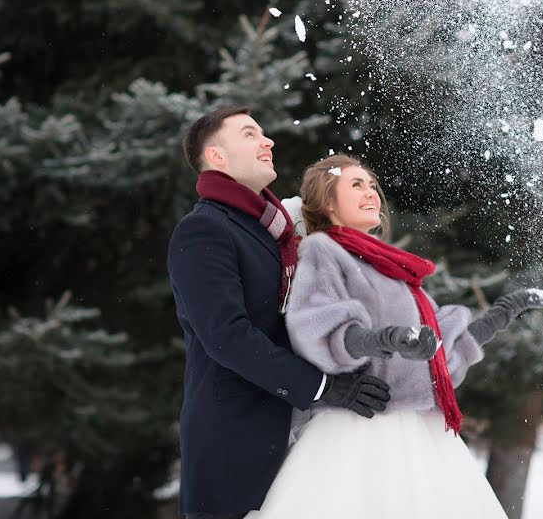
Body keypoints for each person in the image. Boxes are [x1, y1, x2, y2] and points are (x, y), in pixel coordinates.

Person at [247, 155, 543, 519]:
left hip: (418, 430)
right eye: (356, 185)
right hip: (358, 431)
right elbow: (321, 328)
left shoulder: (389, 268)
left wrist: (506, 310)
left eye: (372, 185)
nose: (371, 193)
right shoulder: (323, 251)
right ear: (327, 202)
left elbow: (439, 346)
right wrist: (385, 339)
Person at [168, 109, 392, 519]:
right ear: (216, 156)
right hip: (234, 438)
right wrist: (325, 386)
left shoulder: (272, 231)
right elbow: (227, 336)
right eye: (250, 134)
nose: (268, 141)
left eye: (265, 133)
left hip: (298, 434)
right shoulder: (204, 230)